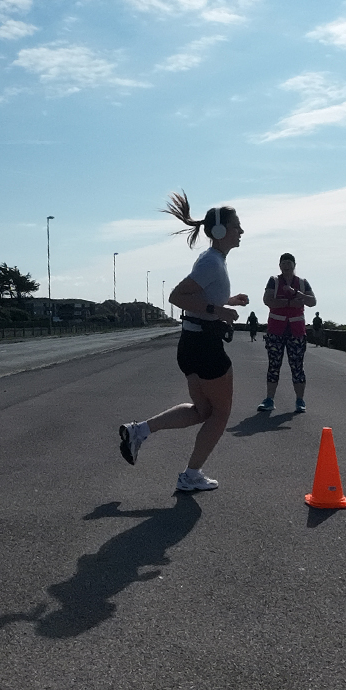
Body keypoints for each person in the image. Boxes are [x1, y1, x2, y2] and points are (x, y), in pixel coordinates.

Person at [118, 191, 248, 492]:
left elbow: (200, 300)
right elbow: (178, 297)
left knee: (202, 412)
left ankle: (138, 431)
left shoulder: (212, 261)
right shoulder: (212, 263)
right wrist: (220, 310)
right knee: (221, 413)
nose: (241, 231)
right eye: (236, 225)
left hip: (190, 344)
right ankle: (191, 475)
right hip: (206, 346)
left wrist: (229, 301)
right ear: (219, 231)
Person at [257, 253, 316, 414]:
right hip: (276, 330)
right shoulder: (274, 281)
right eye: (283, 263)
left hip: (296, 331)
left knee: (297, 367)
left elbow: (312, 301)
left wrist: (297, 294)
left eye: (289, 263)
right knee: (273, 365)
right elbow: (268, 300)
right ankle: (269, 399)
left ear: (294, 264)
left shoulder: (302, 283)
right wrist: (290, 302)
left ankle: (300, 401)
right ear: (280, 266)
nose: (286, 266)